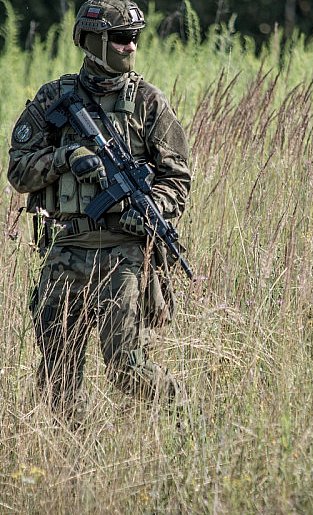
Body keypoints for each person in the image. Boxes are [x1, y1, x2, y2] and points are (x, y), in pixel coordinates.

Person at [7, 0, 191, 426]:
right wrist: (66, 157)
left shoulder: (148, 102)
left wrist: (149, 211)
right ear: (92, 41)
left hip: (124, 254)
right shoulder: (56, 99)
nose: (131, 46)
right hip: (67, 246)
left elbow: (177, 179)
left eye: (135, 38)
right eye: (121, 38)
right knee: (57, 368)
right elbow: (18, 170)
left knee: (127, 368)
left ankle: (186, 416)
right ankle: (75, 457)